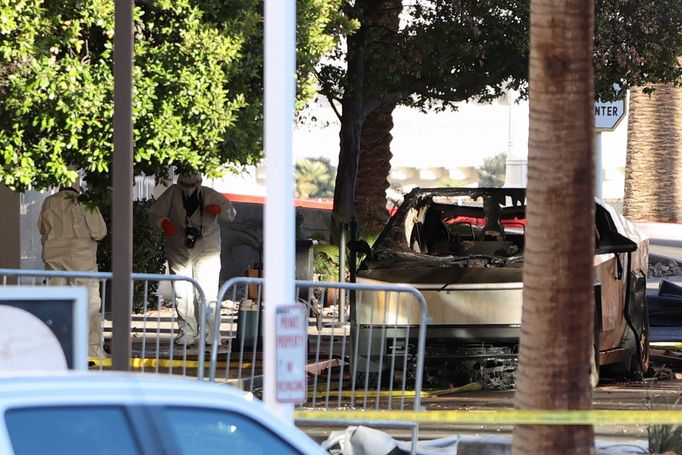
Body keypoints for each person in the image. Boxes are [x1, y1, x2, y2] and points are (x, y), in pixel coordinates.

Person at [150, 173, 236, 346]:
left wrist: (220, 211)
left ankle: (211, 333)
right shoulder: (173, 193)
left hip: (207, 246)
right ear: (179, 182)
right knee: (182, 291)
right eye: (185, 184)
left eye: (192, 184)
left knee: (208, 291)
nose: (189, 188)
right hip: (179, 246)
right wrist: (163, 222)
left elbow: (231, 212)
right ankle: (187, 331)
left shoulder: (209, 194)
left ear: (199, 183)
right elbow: (155, 212)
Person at [37, 182, 107, 358]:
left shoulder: (49, 202)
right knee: (89, 304)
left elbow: (42, 228)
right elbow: (99, 232)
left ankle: (60, 349)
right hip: (82, 260)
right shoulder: (84, 201)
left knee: (57, 304)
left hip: (54, 261)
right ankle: (91, 350)